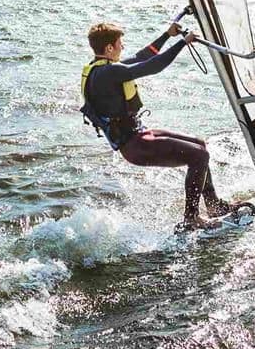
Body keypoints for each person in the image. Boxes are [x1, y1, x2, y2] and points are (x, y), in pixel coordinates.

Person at [81, 20, 244, 232]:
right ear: (109, 47)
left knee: (200, 145)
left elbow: (142, 57)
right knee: (199, 157)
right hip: (135, 145)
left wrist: (167, 35)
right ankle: (191, 218)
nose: (123, 47)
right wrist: (183, 43)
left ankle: (212, 204)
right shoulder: (108, 73)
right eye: (120, 43)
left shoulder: (103, 68)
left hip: (137, 136)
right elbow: (153, 66)